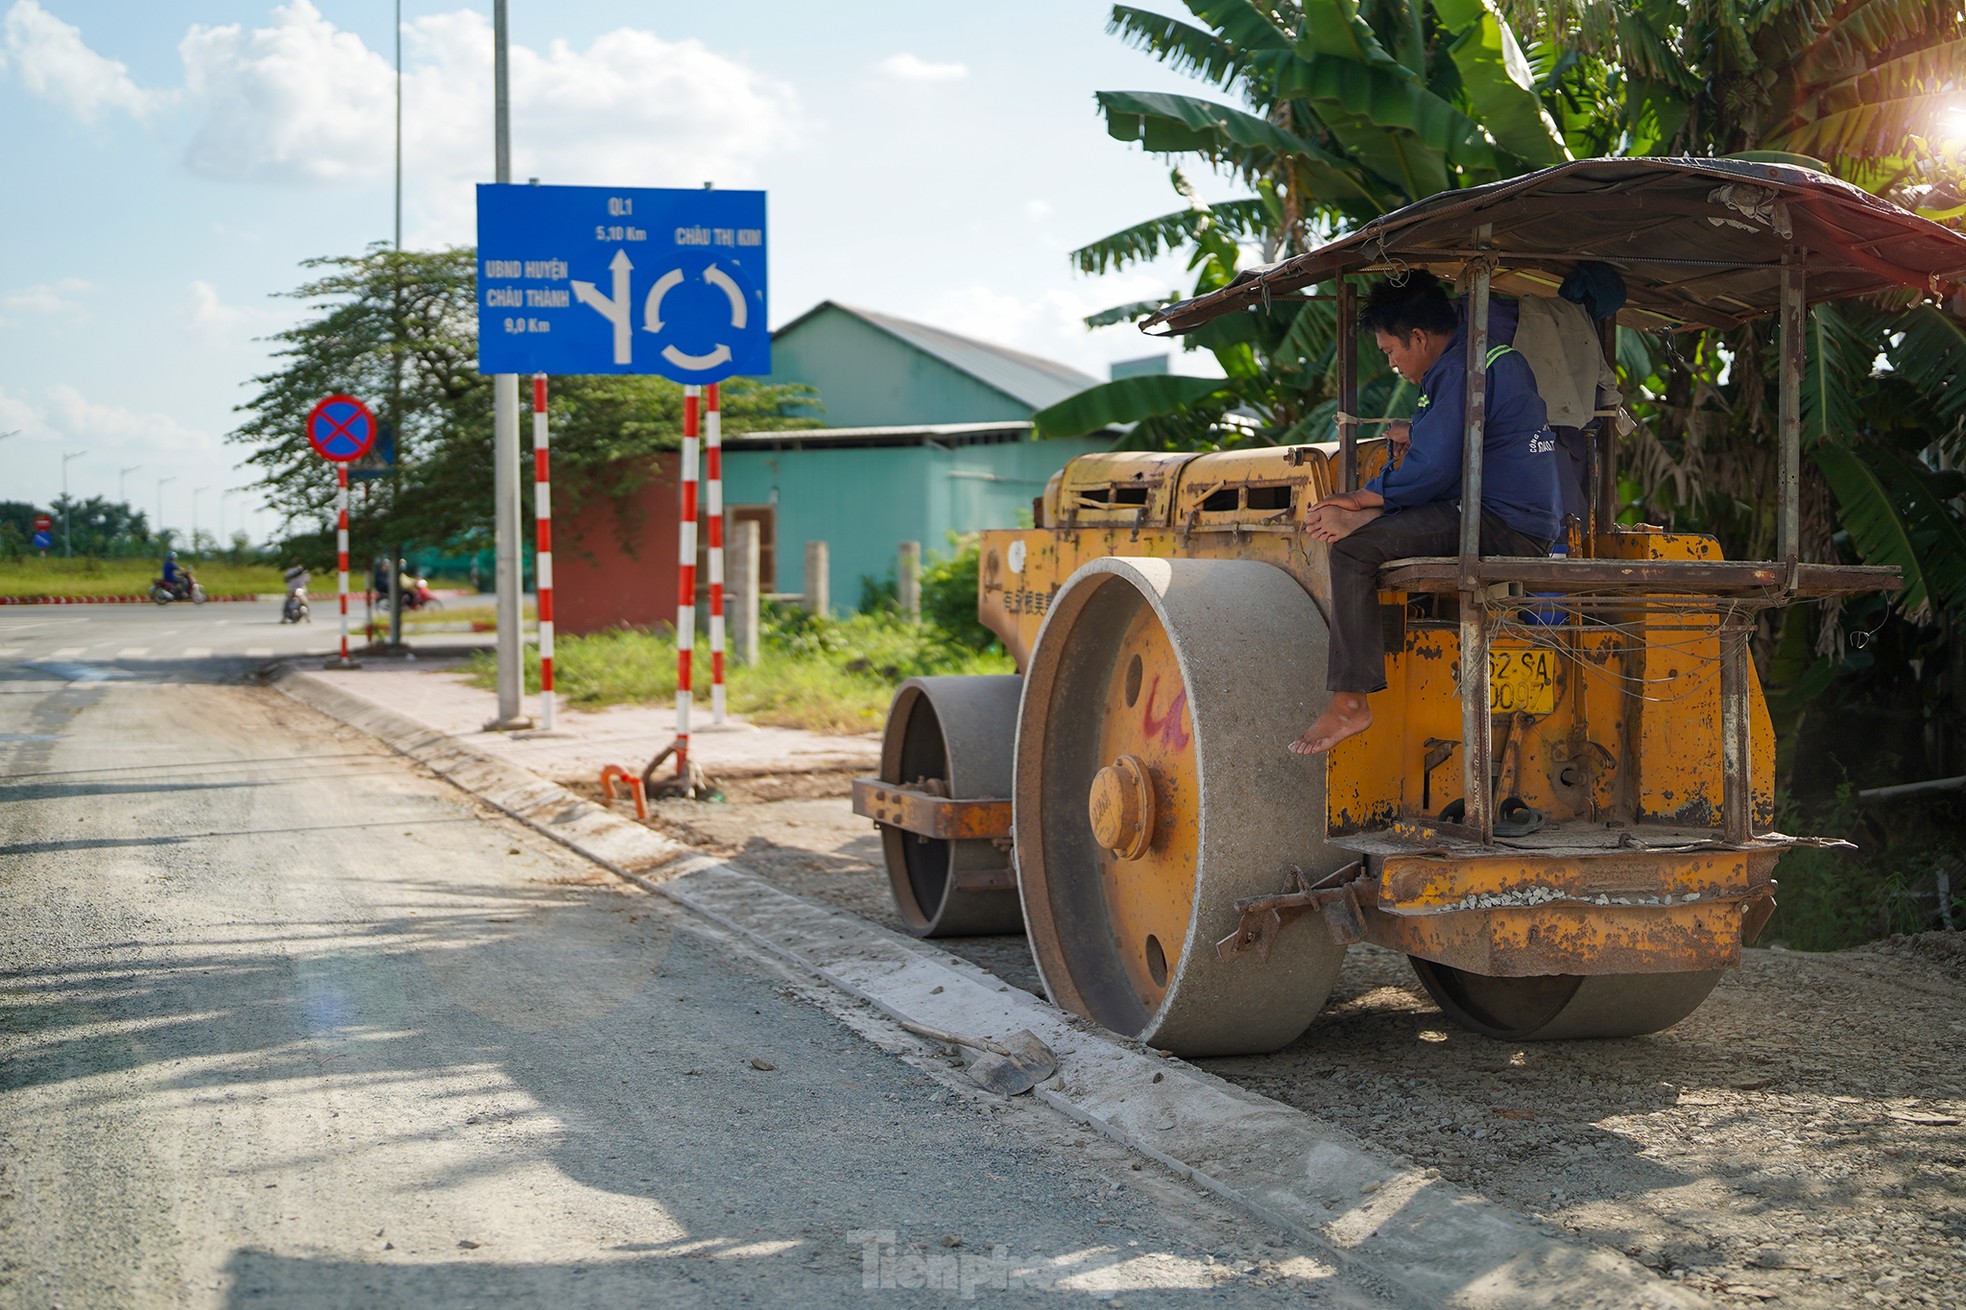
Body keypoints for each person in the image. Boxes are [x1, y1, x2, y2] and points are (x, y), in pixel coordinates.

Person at [1289, 275, 1563, 757]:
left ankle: (1351, 702)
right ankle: (1369, 523)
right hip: (1511, 514)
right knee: (1374, 524)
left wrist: (1358, 500)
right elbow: (1454, 452)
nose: (1391, 362)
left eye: (1391, 350)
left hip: (1500, 522)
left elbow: (1433, 469)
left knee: (1352, 550)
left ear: (1419, 337)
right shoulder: (1488, 359)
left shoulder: (1459, 370)